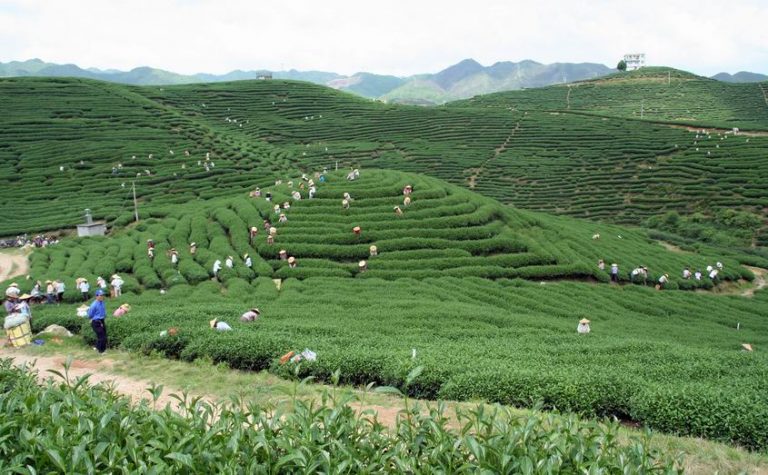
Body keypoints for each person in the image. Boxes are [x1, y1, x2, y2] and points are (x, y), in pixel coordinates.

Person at [88, 290, 108, 354]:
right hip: (96, 322)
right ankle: (101, 351)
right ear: (96, 296)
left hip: (102, 320)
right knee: (102, 337)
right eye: (101, 295)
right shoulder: (93, 305)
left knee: (103, 335)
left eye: (103, 295)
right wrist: (92, 319)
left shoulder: (102, 302)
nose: (102, 296)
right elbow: (90, 314)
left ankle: (97, 347)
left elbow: (103, 311)